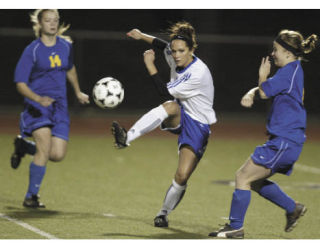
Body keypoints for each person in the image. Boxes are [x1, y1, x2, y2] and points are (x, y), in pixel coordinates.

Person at [209, 29, 318, 239]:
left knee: (242, 176)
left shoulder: (288, 73)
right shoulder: (293, 71)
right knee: (255, 181)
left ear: (287, 52)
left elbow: (265, 91)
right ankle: (292, 208)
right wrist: (253, 91)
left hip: (284, 142)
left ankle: (235, 227)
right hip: (286, 141)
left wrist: (261, 78)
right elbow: (265, 91)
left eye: (276, 49)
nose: (273, 53)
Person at [111, 22, 217, 227]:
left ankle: (163, 213)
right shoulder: (173, 52)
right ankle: (127, 138)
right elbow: (162, 45)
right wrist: (141, 35)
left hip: (198, 125)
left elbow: (164, 92)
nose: (176, 55)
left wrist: (150, 65)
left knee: (182, 175)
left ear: (192, 50)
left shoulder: (197, 73)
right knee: (170, 107)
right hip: (180, 112)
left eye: (181, 51)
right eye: (174, 50)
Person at [10, 9, 89, 208]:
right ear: (40, 23)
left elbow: (70, 68)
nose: (53, 24)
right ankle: (31, 197)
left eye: (55, 20)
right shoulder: (32, 50)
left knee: (57, 154)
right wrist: (38, 98)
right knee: (44, 149)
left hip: (59, 107)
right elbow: (20, 83)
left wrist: (78, 92)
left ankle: (25, 147)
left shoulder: (65, 46)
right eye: (48, 20)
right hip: (37, 106)